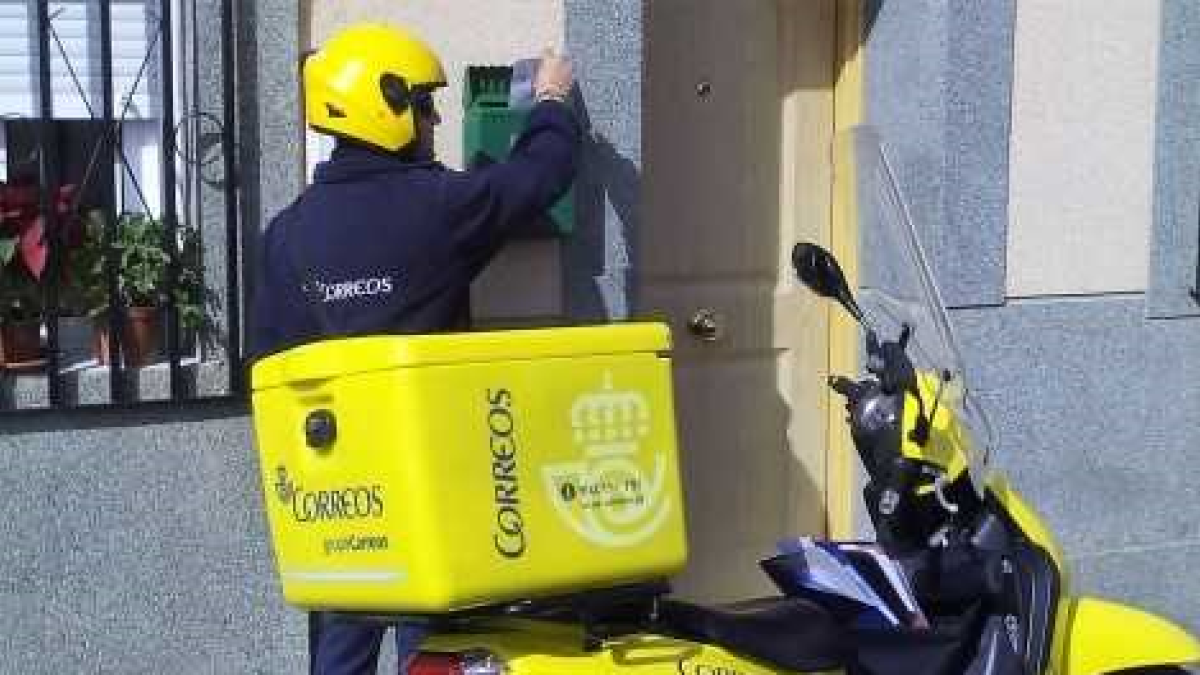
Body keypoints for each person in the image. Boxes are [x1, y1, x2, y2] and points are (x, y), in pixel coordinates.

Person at [247, 22, 581, 675]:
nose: (435, 120)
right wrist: (549, 100)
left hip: (339, 499)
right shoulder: (438, 208)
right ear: (388, 107)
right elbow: (540, 176)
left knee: (339, 655)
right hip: (430, 486)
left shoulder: (284, 236)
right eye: (425, 104)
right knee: (429, 653)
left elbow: (269, 375)